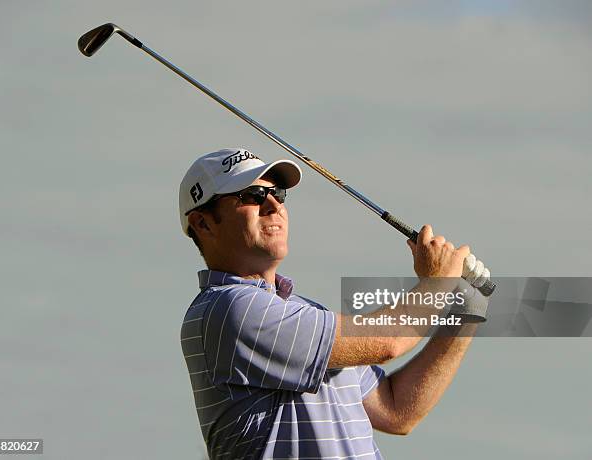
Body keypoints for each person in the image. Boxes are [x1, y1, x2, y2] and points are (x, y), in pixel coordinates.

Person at [179, 148, 489, 459]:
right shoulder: (229, 309)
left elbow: (396, 410)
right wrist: (436, 282)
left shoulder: (305, 313)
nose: (274, 205)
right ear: (203, 224)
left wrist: (466, 313)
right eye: (253, 195)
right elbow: (387, 342)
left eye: (278, 193)